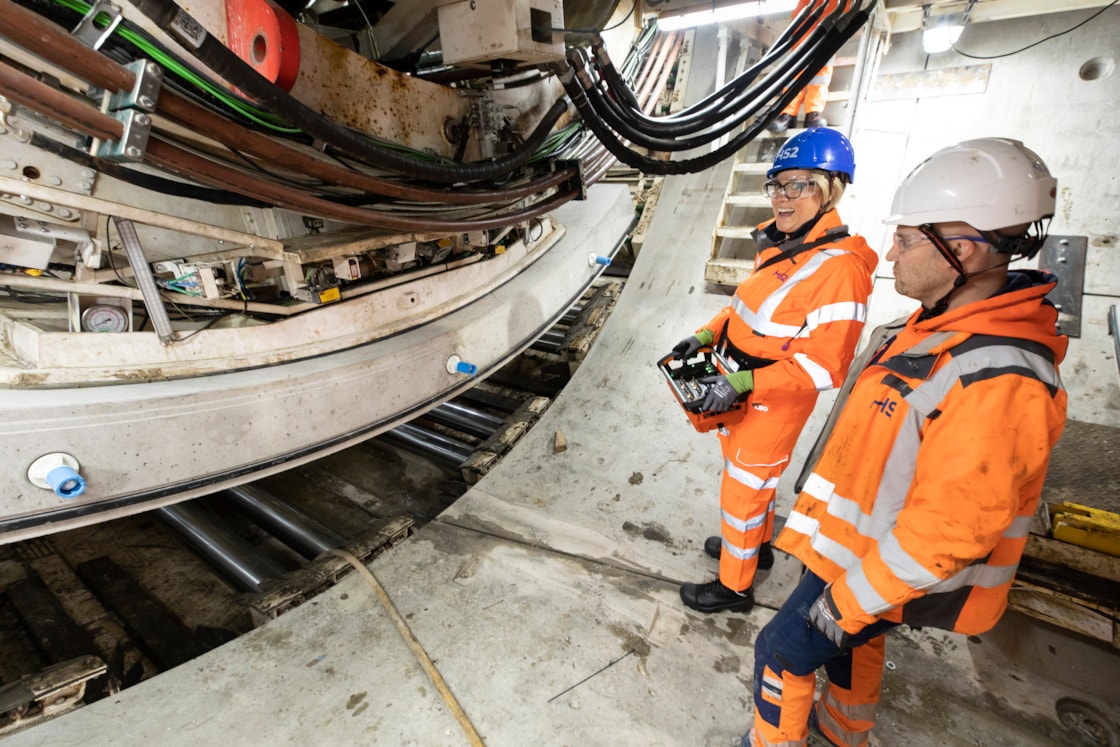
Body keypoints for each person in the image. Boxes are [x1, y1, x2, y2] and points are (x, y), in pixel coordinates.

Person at [742, 137, 1068, 747]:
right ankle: (843, 735)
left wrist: (847, 602)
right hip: (856, 553)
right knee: (845, 655)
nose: (890, 250)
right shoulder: (928, 330)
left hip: (884, 570)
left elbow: (954, 527)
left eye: (909, 239)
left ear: (963, 250)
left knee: (781, 651)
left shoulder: (997, 375)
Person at [672, 128, 878, 614]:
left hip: (770, 402)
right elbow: (746, 309)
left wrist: (745, 381)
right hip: (740, 390)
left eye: (798, 185)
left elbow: (826, 367)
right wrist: (704, 336)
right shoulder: (787, 245)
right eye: (777, 185)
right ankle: (755, 548)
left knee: (742, 493)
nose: (782, 199)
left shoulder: (839, 269)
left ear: (831, 188)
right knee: (752, 488)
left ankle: (733, 588)